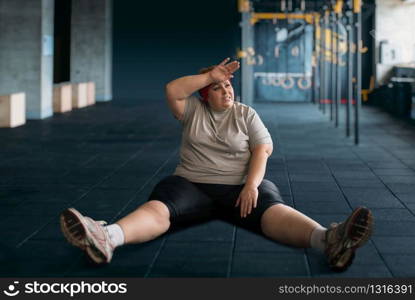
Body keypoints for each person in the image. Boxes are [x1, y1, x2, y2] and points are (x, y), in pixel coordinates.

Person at [60, 58, 373, 272]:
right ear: (205, 94)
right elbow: (172, 90)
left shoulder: (246, 113)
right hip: (191, 184)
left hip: (241, 187)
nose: (227, 91)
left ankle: (328, 240)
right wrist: (211, 75)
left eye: (228, 85)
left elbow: (262, 150)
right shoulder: (192, 110)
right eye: (218, 87)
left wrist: (251, 185)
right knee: (160, 208)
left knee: (271, 208)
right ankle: (108, 237)